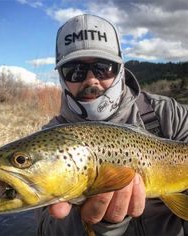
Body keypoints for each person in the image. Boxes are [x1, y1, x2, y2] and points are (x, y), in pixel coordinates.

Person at [35, 14, 188, 236]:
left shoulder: (169, 114)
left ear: (120, 68)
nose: (90, 80)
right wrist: (98, 226)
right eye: (75, 71)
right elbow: (45, 230)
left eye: (103, 68)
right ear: (62, 77)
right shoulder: (47, 142)